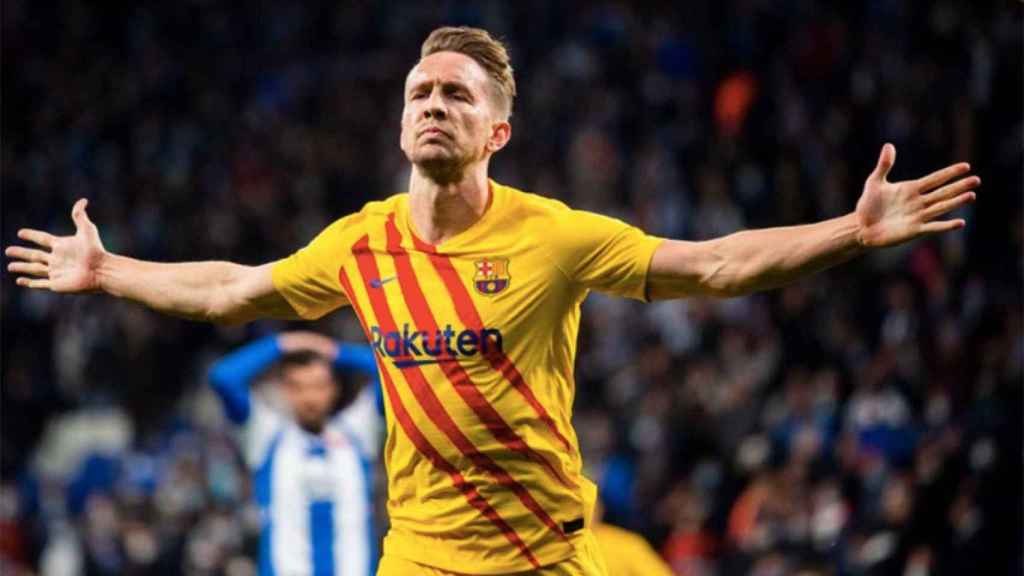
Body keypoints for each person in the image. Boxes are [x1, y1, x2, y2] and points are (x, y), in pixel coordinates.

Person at [6, 25, 979, 576]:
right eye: (421, 91)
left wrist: (848, 232)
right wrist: (111, 271)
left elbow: (714, 265)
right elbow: (234, 288)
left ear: (498, 131)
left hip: (540, 559)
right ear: (399, 120)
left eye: (457, 95)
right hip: (418, 560)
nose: (433, 103)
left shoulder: (552, 235)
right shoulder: (361, 242)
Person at [207, 330, 383, 576]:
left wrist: (337, 351)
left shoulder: (359, 430)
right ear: (285, 390)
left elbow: (396, 374)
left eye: (318, 386)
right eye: (298, 387)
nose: (309, 397)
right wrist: (282, 344)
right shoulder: (266, 434)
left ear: (334, 388)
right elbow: (223, 377)